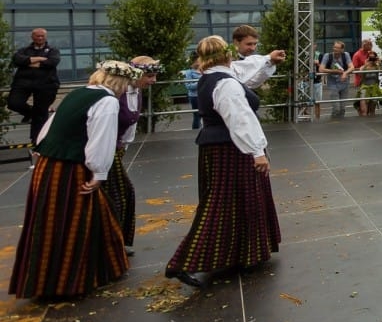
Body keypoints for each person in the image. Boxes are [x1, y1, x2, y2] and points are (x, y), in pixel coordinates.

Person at [9, 60, 132, 299]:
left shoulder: (79, 93)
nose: (127, 89)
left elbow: (48, 128)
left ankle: (100, 269)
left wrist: (41, 149)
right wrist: (99, 173)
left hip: (48, 164)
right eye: (127, 84)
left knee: (56, 219)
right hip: (70, 168)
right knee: (72, 221)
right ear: (120, 81)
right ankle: (65, 282)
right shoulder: (107, 101)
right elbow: (101, 140)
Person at [166, 36, 280, 289]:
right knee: (221, 204)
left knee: (238, 201)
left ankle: (244, 254)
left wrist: (268, 60)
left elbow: (247, 74)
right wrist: (256, 151)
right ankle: (181, 263)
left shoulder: (215, 76)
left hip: (220, 147)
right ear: (227, 54)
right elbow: (239, 118)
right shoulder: (225, 83)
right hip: (231, 149)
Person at [104, 56, 160, 256]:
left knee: (122, 194)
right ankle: (110, 243)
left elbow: (131, 126)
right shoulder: (116, 94)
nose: (153, 81)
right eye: (150, 76)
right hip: (104, 149)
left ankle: (117, 240)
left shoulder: (137, 93)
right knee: (118, 194)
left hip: (116, 149)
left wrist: (123, 149)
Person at [8, 27, 61, 144]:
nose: (40, 38)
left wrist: (28, 62)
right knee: (13, 103)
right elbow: (16, 60)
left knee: (41, 114)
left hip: (46, 85)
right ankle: (29, 112)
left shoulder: (53, 50)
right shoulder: (23, 50)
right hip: (23, 83)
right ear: (32, 37)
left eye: (42, 36)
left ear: (45, 37)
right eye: (38, 36)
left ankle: (37, 141)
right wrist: (38, 59)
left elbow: (52, 62)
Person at [229, 24, 286, 89]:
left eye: (255, 44)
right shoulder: (225, 59)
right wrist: (268, 58)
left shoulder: (250, 59)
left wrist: (271, 63)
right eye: (249, 44)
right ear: (236, 42)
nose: (253, 48)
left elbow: (250, 83)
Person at [319, 41, 354, 119]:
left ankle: (341, 124)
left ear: (342, 49)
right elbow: (321, 69)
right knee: (336, 108)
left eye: (337, 48)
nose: (335, 49)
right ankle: (333, 122)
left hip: (345, 83)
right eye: (334, 47)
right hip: (333, 83)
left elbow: (352, 67)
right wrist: (334, 71)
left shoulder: (346, 55)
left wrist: (345, 73)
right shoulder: (327, 56)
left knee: (342, 108)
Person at [183, 52, 202, 129]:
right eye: (198, 60)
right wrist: (200, 81)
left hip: (202, 95)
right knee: (197, 115)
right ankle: (195, 131)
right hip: (194, 96)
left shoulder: (202, 70)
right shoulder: (189, 72)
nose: (200, 62)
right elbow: (188, 86)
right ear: (193, 61)